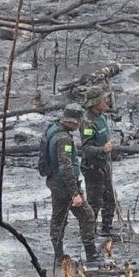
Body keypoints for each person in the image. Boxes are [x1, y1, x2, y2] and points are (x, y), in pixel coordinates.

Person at [46, 103, 98, 264]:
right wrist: (74, 193)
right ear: (73, 122)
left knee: (58, 219)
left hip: (55, 182)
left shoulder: (53, 129)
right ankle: (91, 256)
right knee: (87, 216)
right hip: (65, 185)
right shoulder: (64, 140)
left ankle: (58, 254)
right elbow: (66, 166)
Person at [80, 87, 116, 236]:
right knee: (94, 203)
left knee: (110, 199)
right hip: (93, 167)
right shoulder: (88, 123)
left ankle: (106, 229)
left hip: (105, 164)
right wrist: (102, 149)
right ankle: (89, 233)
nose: (106, 101)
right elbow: (86, 149)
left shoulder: (102, 117)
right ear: (94, 103)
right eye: (102, 100)